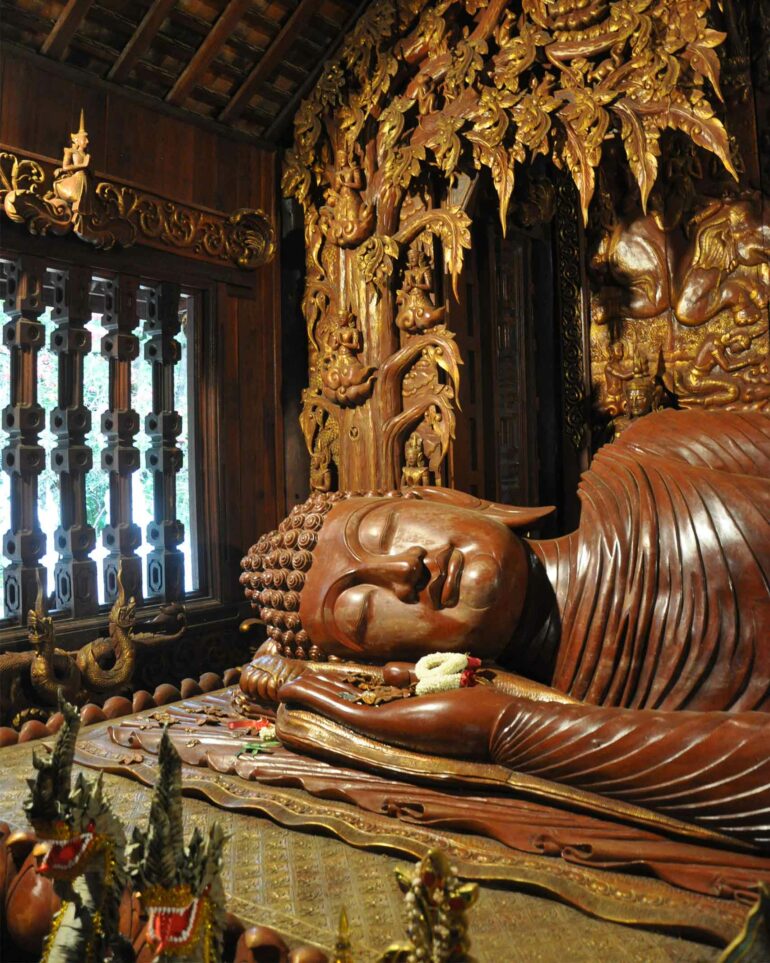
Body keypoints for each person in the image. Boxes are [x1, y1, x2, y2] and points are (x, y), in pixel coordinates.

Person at [237, 409, 770, 846]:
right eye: (364, 614)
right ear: (391, 663)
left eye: (387, 530)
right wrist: (503, 725)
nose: (405, 570)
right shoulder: (572, 715)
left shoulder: (653, 455)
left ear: (448, 500)